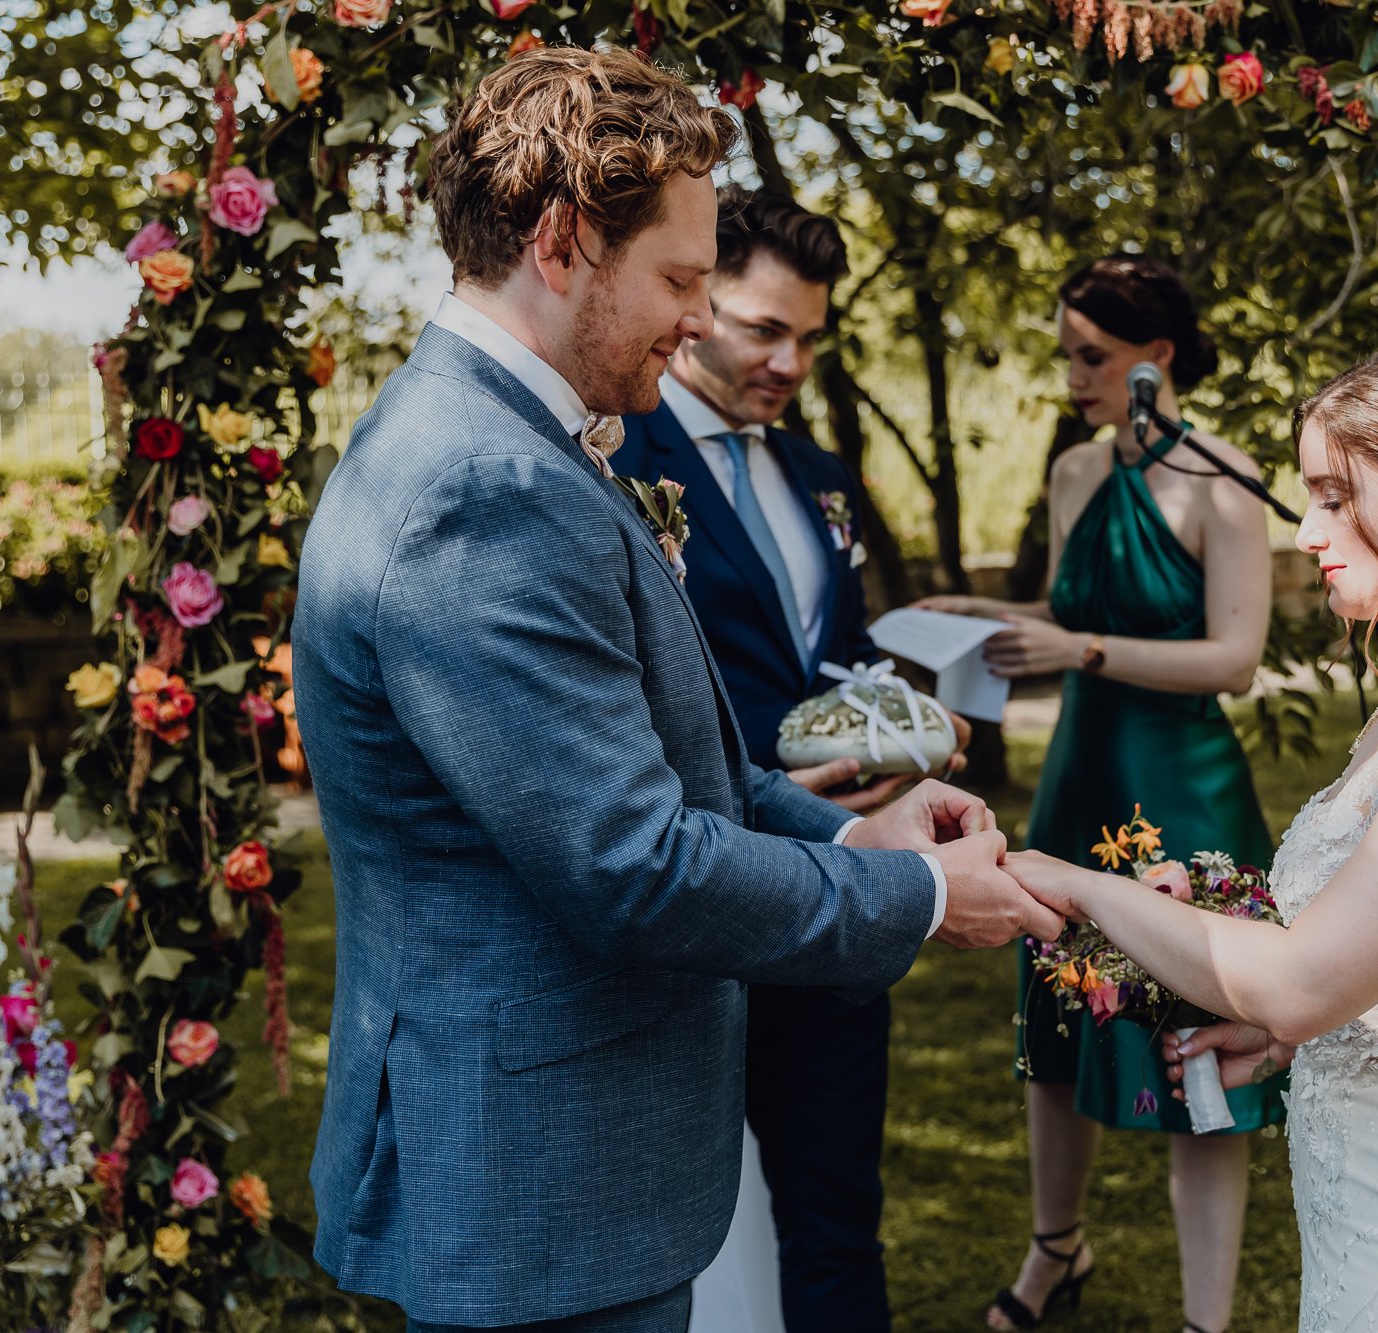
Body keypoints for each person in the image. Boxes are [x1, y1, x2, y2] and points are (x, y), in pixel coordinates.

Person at [292, 48, 1058, 1333]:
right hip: (534, 1181)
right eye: (683, 278)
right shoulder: (481, 489)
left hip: (571, 1167)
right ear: (562, 240)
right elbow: (629, 863)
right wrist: (917, 895)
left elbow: (673, 754)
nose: (700, 318)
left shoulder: (524, 442)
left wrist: (849, 830)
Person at [1005, 335, 1378, 1331]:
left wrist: (1071, 884)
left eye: (1333, 495)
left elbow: (1305, 976)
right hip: (1376, 1207)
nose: (1308, 530)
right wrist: (1291, 1042)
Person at [919, 255, 1279, 1333]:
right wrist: (980, 613)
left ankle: (1205, 1319)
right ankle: (1053, 1251)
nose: (1071, 374)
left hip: (1182, 784)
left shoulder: (1223, 478)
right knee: (1055, 1027)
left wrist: (1070, 646)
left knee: (1196, 1045)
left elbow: (1232, 659)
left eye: (1091, 355)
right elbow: (1072, 610)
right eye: (1066, 353)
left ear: (1152, 360)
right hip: (1084, 776)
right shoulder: (1074, 473)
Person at [610, 188, 947, 1333]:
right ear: (696, 303)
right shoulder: (613, 461)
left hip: (839, 887)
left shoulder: (821, 478)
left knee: (836, 1205)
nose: (790, 360)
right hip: (698, 889)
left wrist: (885, 734)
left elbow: (835, 655)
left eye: (809, 335)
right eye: (764, 328)